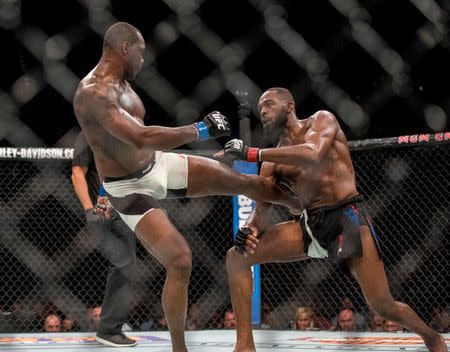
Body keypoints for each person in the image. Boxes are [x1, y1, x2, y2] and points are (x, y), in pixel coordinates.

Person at [72, 22, 299, 352]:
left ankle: (300, 206)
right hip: (128, 187)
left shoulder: (123, 86)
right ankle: (179, 349)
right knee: (180, 260)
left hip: (156, 165)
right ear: (124, 48)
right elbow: (138, 136)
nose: (143, 60)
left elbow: (145, 141)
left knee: (240, 180)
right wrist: (199, 130)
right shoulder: (93, 93)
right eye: (141, 52)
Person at [220, 87, 447, 352]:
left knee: (381, 304)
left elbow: (313, 153)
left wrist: (252, 153)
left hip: (346, 216)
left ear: (290, 106)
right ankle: (244, 345)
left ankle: (431, 337)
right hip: (310, 224)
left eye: (269, 105)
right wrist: (248, 230)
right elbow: (261, 213)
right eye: (261, 110)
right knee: (236, 257)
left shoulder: (321, 120)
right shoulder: (273, 160)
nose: (264, 112)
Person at [72, 131, 137, 347]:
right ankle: (109, 329)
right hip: (100, 211)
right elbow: (77, 173)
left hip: (123, 209)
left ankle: (111, 328)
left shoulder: (124, 134)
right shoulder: (89, 134)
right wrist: (89, 210)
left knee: (126, 267)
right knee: (122, 263)